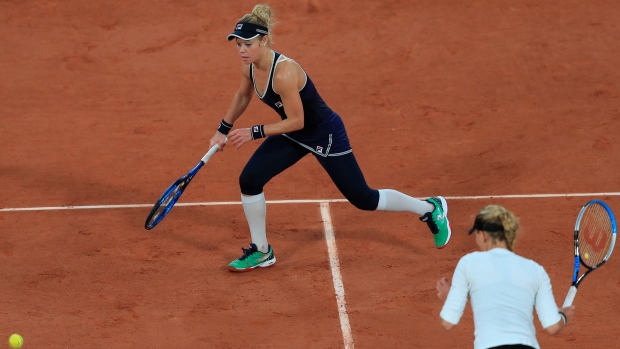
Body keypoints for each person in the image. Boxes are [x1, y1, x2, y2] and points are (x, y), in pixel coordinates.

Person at [210, 4, 451, 272]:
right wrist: (223, 128)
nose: (242, 50)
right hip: (293, 133)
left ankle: (429, 208)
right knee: (250, 180)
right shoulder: (251, 67)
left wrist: (255, 131)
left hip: (324, 134)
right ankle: (262, 250)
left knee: (363, 199)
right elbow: (244, 95)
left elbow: (298, 120)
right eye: (238, 44)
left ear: (264, 40)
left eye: (248, 44)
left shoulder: (284, 72)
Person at [436, 204, 575, 349]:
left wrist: (449, 299)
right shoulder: (535, 270)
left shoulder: (468, 263)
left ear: (484, 235)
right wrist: (564, 317)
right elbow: (553, 327)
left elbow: (448, 322)